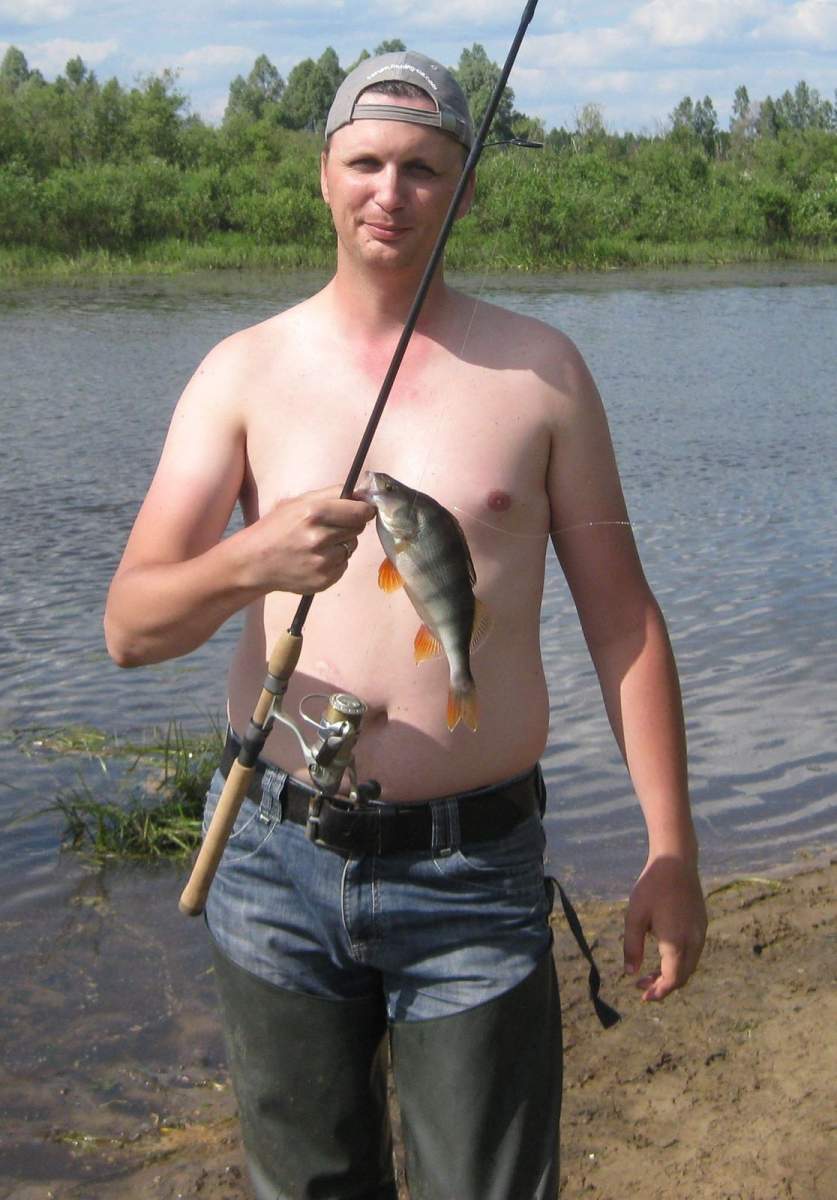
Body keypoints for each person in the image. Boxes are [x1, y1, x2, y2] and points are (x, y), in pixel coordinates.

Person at [105, 50, 707, 1200]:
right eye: (368, 162)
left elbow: (624, 622)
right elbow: (130, 628)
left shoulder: (544, 374)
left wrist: (670, 847)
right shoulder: (241, 372)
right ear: (324, 176)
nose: (392, 191)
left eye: (425, 168)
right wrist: (251, 559)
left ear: (465, 190)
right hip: (272, 861)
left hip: (474, 869)